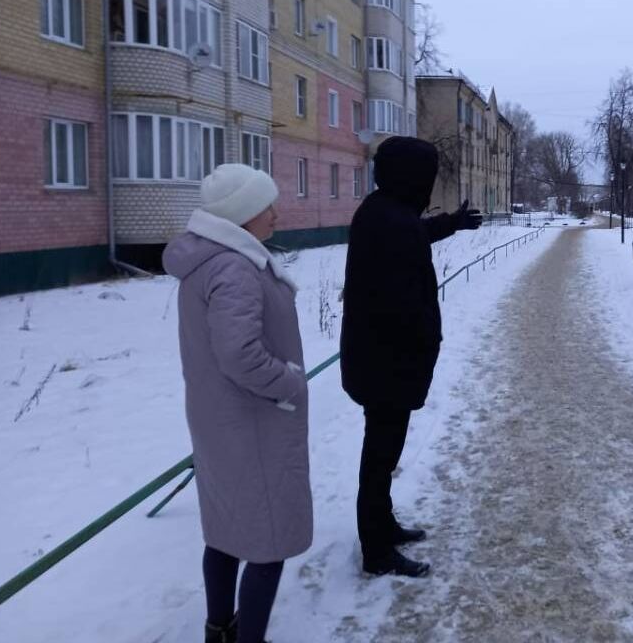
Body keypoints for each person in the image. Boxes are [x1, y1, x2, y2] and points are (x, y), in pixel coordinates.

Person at [163, 164, 311, 643]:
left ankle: (219, 630)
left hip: (222, 421)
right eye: (266, 205)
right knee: (267, 544)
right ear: (243, 214)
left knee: (226, 531)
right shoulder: (233, 267)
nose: (276, 213)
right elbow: (239, 354)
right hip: (252, 425)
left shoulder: (213, 260)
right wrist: (287, 383)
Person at [340, 136, 482, 577]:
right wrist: (426, 340)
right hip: (387, 363)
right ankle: (377, 551)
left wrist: (452, 223)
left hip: (379, 360)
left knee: (382, 454)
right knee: (380, 456)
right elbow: (402, 303)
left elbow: (415, 233)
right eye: (426, 176)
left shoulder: (383, 211)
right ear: (410, 177)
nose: (429, 184)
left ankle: (382, 527)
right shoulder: (390, 221)